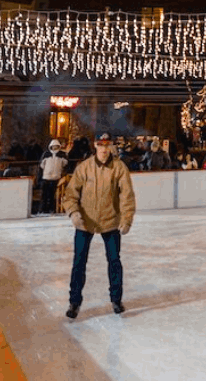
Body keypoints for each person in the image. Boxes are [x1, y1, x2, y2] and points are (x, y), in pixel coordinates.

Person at [62, 133, 137, 320]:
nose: (104, 149)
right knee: (79, 261)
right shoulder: (84, 167)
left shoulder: (119, 168)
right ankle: (74, 301)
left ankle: (116, 299)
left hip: (110, 221)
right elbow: (70, 194)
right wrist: (74, 213)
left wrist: (126, 219)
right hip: (85, 222)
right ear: (95, 146)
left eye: (108, 145)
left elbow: (126, 196)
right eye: (101, 145)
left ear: (111, 146)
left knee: (114, 260)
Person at [40, 140, 67, 215]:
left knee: (52, 195)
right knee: (45, 194)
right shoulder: (46, 154)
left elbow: (64, 164)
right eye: (53, 146)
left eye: (56, 146)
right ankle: (43, 209)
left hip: (56, 177)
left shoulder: (61, 155)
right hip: (46, 177)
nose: (55, 148)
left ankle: (52, 209)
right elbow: (42, 165)